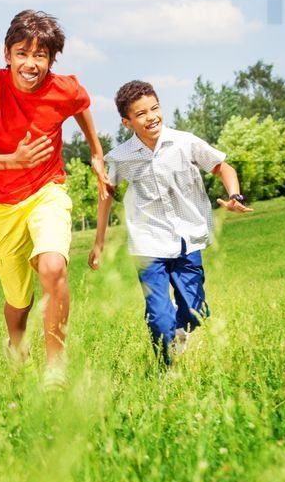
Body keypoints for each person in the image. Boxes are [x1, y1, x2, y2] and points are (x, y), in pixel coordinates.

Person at [0, 9, 111, 389]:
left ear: (51, 59)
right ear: (7, 54)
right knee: (18, 301)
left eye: (40, 55)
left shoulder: (63, 88)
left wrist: (96, 152)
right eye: (22, 53)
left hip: (47, 189)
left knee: (53, 267)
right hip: (1, 204)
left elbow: (81, 105)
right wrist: (14, 160)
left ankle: (55, 369)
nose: (30, 64)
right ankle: (17, 347)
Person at [90, 80, 251, 366]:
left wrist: (234, 195)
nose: (151, 117)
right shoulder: (121, 157)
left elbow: (223, 167)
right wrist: (99, 242)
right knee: (159, 317)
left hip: (187, 238)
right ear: (127, 122)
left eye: (155, 108)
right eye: (141, 114)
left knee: (194, 312)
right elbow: (106, 196)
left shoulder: (184, 142)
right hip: (147, 243)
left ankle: (179, 327)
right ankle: (167, 368)